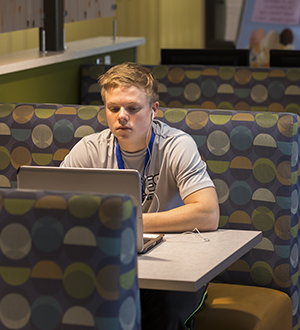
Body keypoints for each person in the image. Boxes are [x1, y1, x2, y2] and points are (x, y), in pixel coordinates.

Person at [61, 62, 219, 330]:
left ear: (154, 109)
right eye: (113, 108)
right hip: (107, 260)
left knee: (165, 313)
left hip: (174, 264)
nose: (122, 116)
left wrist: (129, 222)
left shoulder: (177, 145)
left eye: (133, 108)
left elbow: (207, 213)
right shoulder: (89, 149)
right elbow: (50, 206)